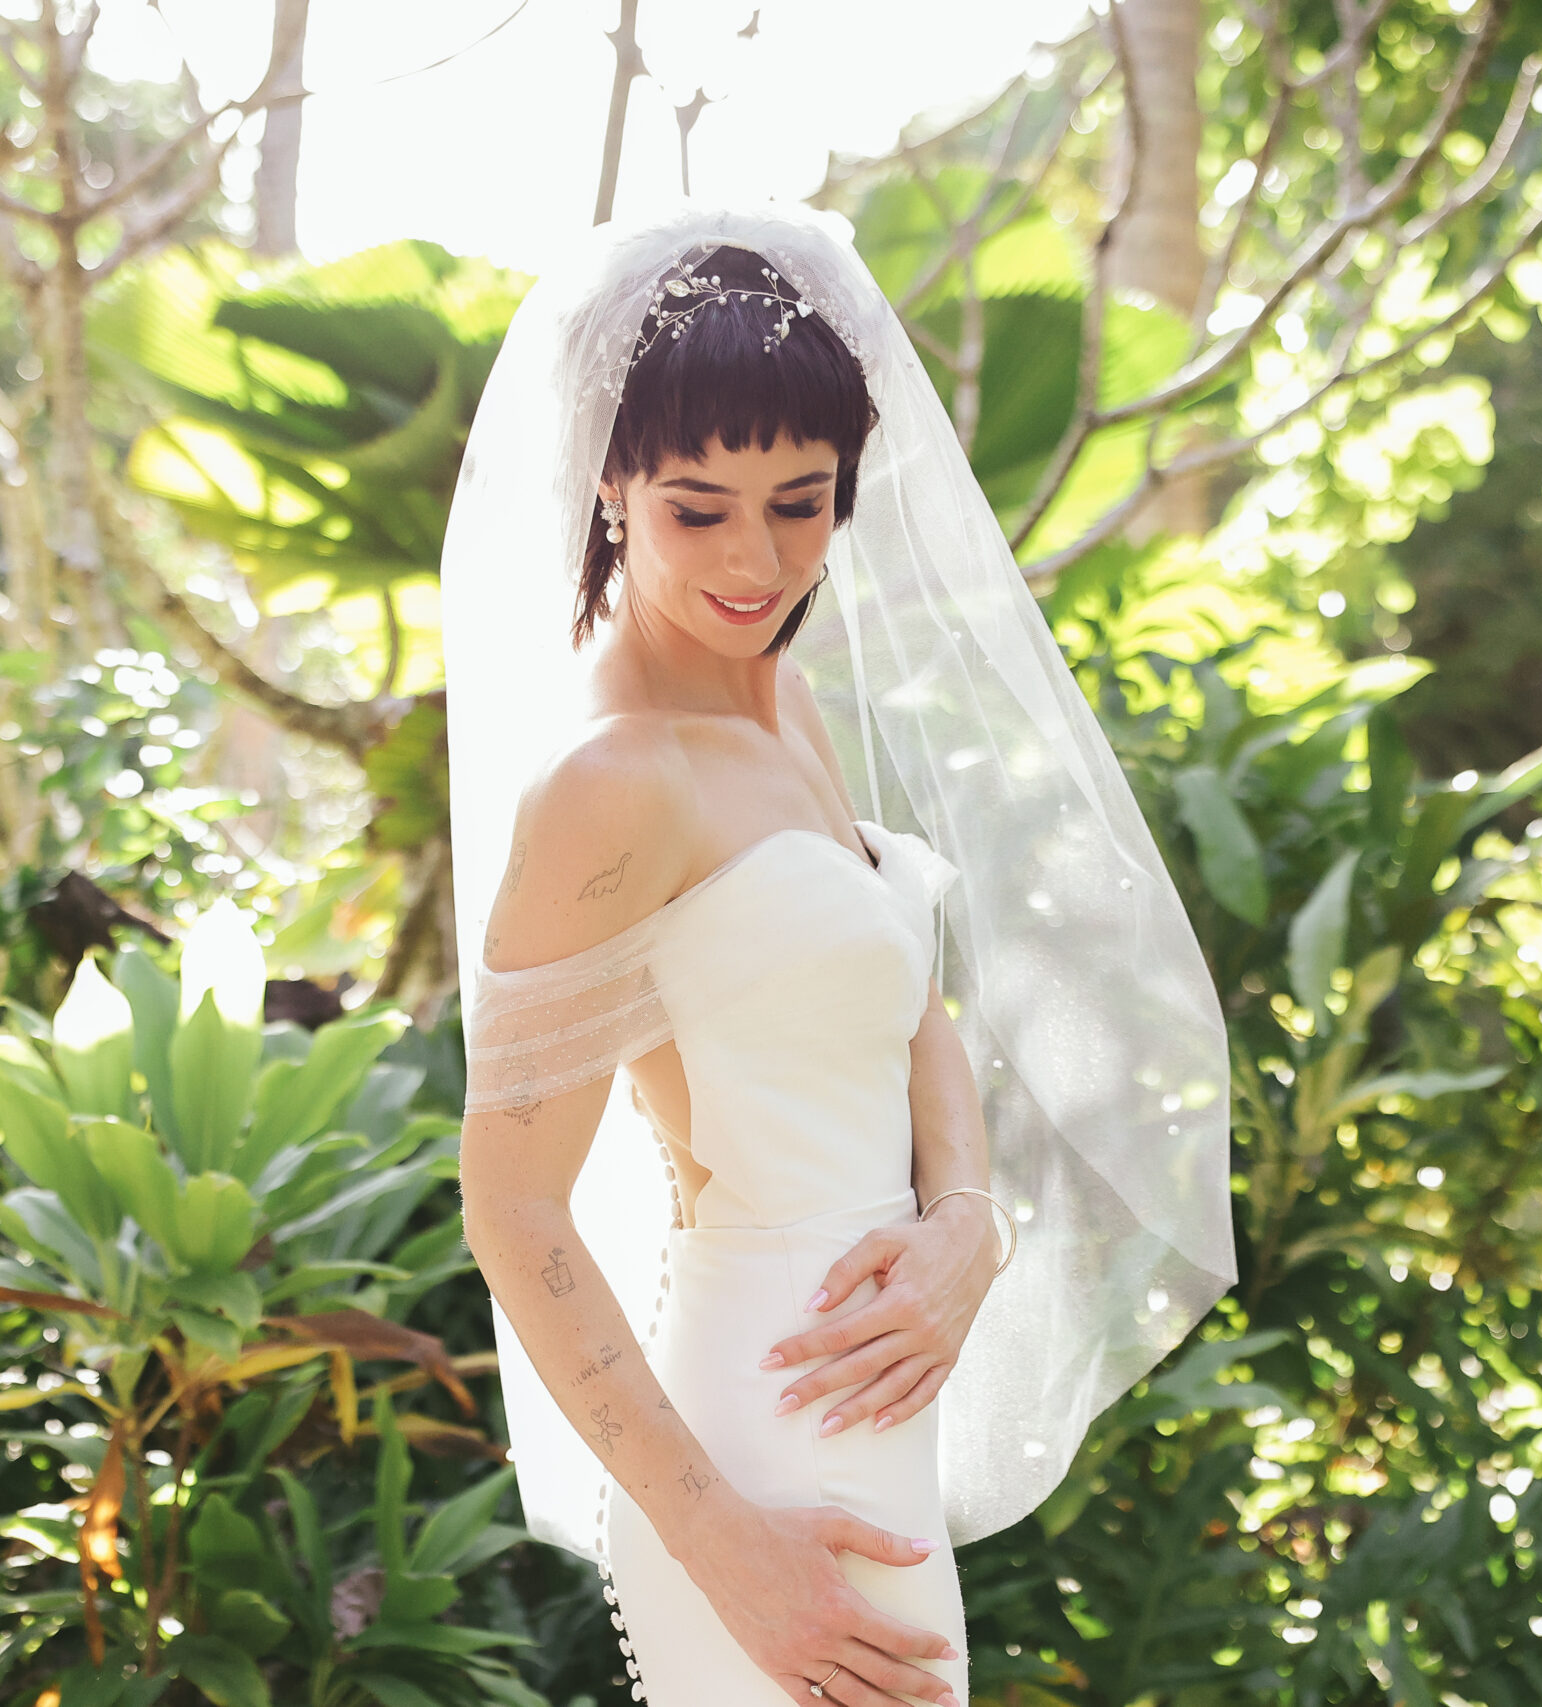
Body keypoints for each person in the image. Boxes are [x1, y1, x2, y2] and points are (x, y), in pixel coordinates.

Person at [445, 205, 1234, 1706]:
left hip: (877, 1430)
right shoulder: (615, 783)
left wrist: (969, 1224)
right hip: (758, 1460)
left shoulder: (777, 697)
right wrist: (719, 1544)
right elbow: (516, 1207)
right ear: (611, 485)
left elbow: (901, 989)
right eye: (700, 509)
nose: (758, 562)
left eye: (800, 504)